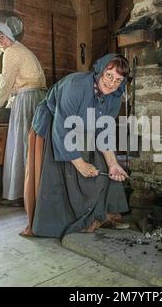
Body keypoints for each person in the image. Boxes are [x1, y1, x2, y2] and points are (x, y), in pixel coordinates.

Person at [21, 53, 131, 237]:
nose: (112, 83)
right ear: (100, 71)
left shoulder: (114, 97)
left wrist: (113, 164)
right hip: (53, 122)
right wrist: (79, 163)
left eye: (118, 80)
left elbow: (104, 133)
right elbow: (62, 128)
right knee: (60, 170)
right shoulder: (76, 86)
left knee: (101, 162)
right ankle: (57, 223)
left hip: (82, 125)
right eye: (109, 75)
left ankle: (100, 215)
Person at [0, 23, 47, 207]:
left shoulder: (12, 52)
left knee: (20, 144)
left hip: (27, 99)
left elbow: (5, 83)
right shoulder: (22, 49)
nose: (1, 43)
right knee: (32, 145)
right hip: (38, 98)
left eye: (2, 38)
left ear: (9, 36)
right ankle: (34, 192)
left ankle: (19, 195)